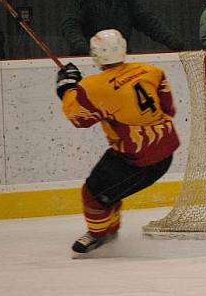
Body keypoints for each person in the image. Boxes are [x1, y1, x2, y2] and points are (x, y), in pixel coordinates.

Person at [56, 29, 180, 257]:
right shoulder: (152, 71)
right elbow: (169, 110)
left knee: (92, 194)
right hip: (164, 152)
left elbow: (79, 118)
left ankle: (100, 234)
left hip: (138, 160)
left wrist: (67, 88)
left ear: (94, 55)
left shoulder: (93, 87)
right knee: (107, 192)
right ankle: (109, 229)